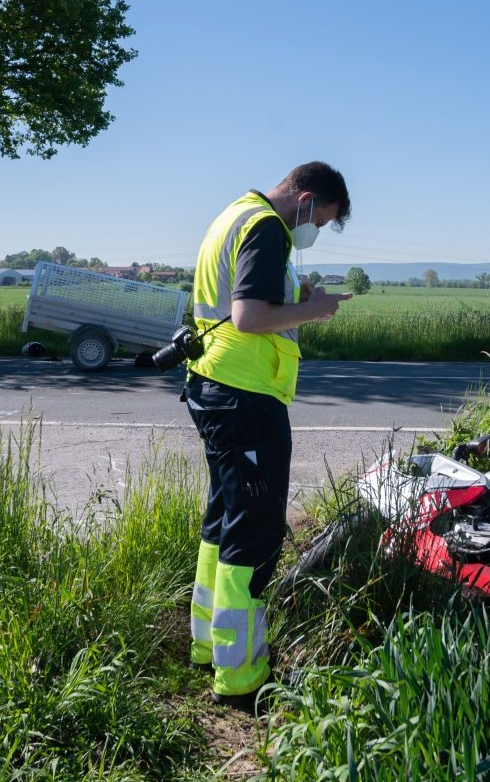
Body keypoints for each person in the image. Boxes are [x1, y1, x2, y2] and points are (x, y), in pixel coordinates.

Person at [182, 161, 352, 712]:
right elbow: (250, 316)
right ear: (304, 199)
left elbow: (245, 297)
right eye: (320, 221)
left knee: (223, 522)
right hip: (245, 396)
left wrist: (294, 294)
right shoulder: (266, 228)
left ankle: (209, 647)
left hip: (216, 385)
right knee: (253, 537)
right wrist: (315, 310)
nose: (316, 233)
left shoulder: (234, 215)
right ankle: (243, 677)